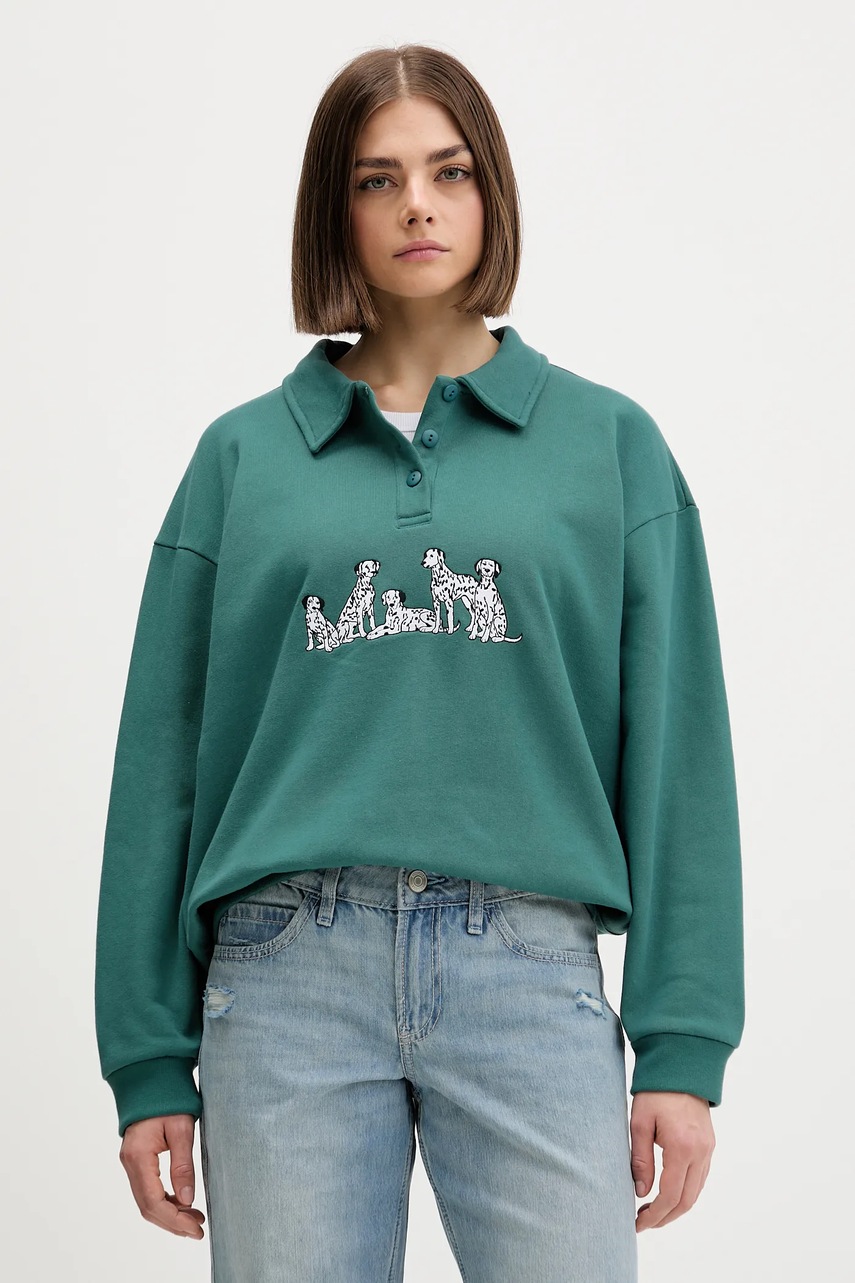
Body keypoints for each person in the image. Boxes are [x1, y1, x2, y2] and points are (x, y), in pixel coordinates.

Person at [94, 43, 744, 1282]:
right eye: (376, 179)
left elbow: (680, 751)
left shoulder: (609, 446)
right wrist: (146, 1058)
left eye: (449, 172)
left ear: (490, 192)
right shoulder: (241, 460)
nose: (417, 207)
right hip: (284, 974)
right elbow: (161, 766)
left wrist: (684, 1043)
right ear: (333, 211)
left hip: (530, 966)